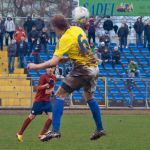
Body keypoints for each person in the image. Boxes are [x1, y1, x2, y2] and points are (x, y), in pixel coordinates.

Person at [27, 15, 105, 141]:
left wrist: (36, 66)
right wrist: (67, 59)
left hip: (82, 69)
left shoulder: (64, 39)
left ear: (57, 27)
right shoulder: (77, 29)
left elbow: (53, 62)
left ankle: (55, 130)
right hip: (94, 67)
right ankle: (100, 128)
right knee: (89, 97)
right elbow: (81, 49)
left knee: (59, 95)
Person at [16, 67, 56, 142]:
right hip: (39, 101)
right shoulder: (43, 77)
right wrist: (46, 85)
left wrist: (52, 92)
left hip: (47, 101)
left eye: (52, 68)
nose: (50, 69)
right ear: (46, 69)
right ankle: (20, 133)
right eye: (49, 68)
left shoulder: (54, 77)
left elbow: (51, 88)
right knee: (31, 117)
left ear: (54, 69)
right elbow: (38, 88)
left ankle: (41, 134)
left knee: (52, 117)